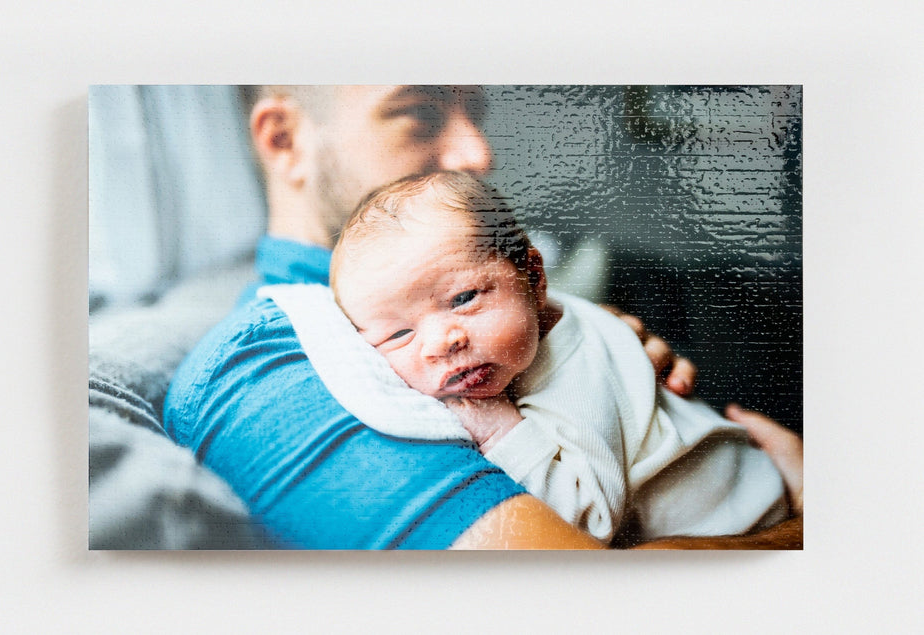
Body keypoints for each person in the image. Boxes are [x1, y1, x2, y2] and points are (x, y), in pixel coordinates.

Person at [163, 85, 802, 549]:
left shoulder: (521, 304)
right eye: (419, 111)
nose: (479, 151)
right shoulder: (265, 368)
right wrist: (813, 531)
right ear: (284, 139)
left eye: (476, 112)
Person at [266, 170, 787, 542]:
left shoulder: (576, 366)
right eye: (398, 335)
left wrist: (500, 430)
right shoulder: (515, 340)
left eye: (464, 298)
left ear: (534, 278)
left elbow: (588, 525)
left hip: (753, 517)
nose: (441, 341)